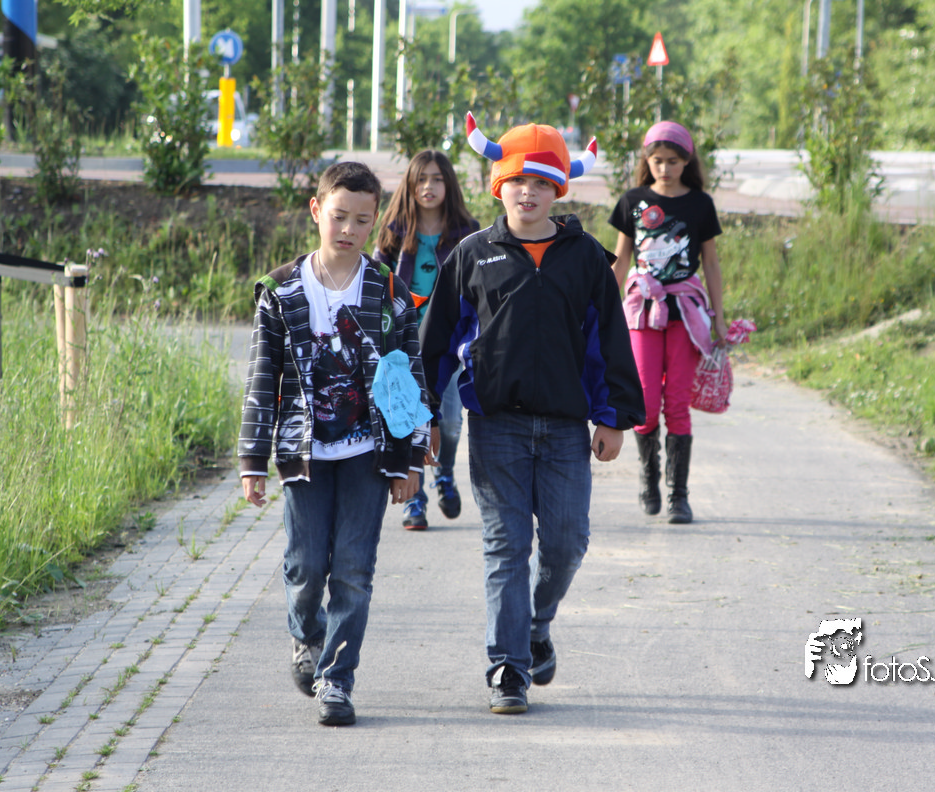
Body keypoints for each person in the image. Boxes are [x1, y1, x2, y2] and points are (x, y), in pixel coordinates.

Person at [421, 114, 645, 714]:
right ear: (500, 185)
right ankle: (507, 668)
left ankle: (537, 623)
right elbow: (436, 341)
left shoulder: (586, 258)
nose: (528, 192)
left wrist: (614, 416)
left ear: (558, 190)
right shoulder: (472, 255)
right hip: (497, 427)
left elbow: (610, 341)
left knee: (568, 543)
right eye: (518, 180)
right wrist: (425, 416)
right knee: (506, 547)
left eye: (542, 183)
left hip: (567, 428)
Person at [238, 161, 430, 726]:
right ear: (316, 210)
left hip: (367, 455)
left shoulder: (389, 292)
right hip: (305, 455)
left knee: (353, 570)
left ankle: (337, 681)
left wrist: (410, 460)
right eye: (339, 216)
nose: (348, 229)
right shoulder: (281, 292)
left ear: (375, 222)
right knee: (304, 568)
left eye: (362, 220)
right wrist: (252, 459)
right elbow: (262, 376)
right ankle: (307, 635)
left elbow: (409, 379)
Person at [608, 121, 726, 525]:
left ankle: (679, 494)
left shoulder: (700, 204)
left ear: (686, 161)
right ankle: (649, 480)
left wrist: (719, 317)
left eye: (673, 161)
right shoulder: (633, 201)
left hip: (685, 313)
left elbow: (711, 263)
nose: (664, 168)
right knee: (644, 403)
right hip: (643, 311)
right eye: (657, 160)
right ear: (647, 160)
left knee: (676, 402)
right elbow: (621, 260)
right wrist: (601, 310)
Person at [373, 150, 480, 531]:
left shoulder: (467, 233)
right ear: (410, 185)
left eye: (437, 179)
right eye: (421, 179)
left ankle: (444, 472)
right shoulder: (393, 232)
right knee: (409, 420)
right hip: (403, 347)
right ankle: (414, 499)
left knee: (448, 424)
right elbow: (375, 286)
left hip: (447, 348)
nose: (428, 187)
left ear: (448, 184)